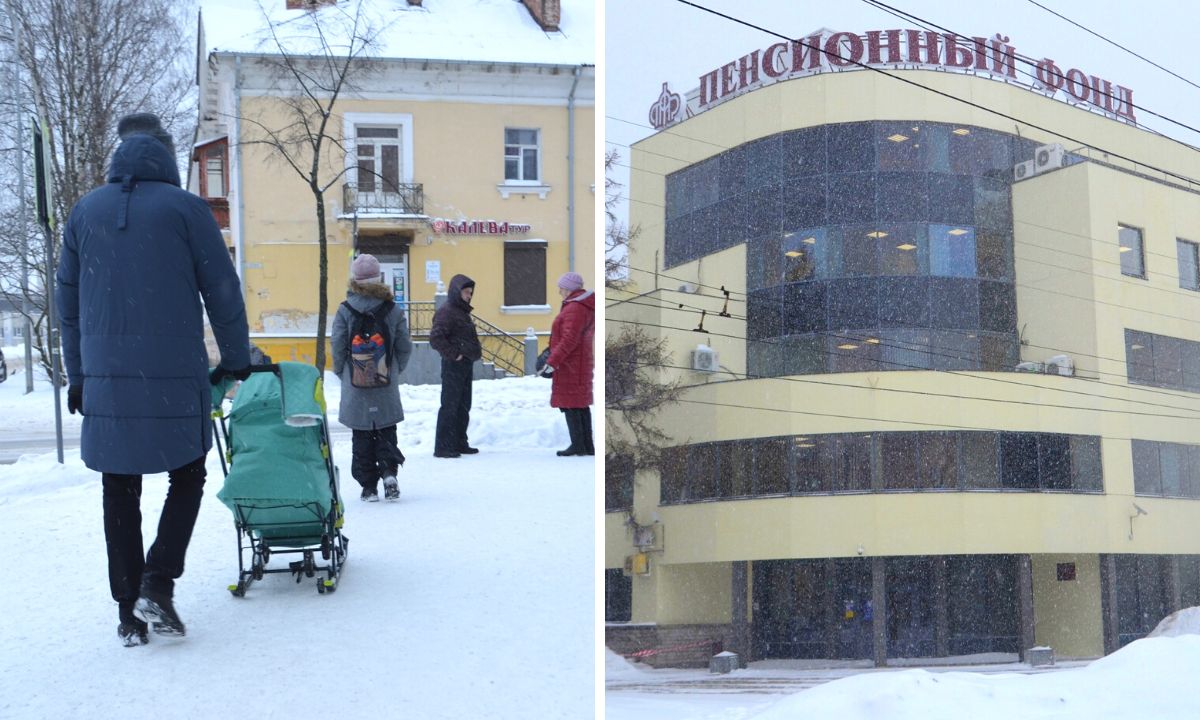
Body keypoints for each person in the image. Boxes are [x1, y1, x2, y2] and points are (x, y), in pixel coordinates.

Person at [56, 112, 250, 646]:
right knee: (187, 474)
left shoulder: (84, 212)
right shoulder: (187, 209)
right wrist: (235, 357)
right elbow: (223, 291)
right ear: (164, 154)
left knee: (119, 488)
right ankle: (157, 580)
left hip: (107, 379)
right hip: (173, 375)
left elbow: (66, 305)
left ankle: (128, 614)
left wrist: (79, 375)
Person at [331, 253, 413, 501]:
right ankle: (389, 472)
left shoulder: (345, 310)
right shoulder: (392, 309)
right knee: (386, 428)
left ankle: (368, 487)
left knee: (362, 433)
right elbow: (404, 345)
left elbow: (337, 343)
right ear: (380, 278)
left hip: (355, 381)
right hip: (384, 377)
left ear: (354, 279)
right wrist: (394, 368)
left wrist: (342, 371)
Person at [541, 272, 595, 456]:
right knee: (579, 404)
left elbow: (569, 339)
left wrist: (553, 362)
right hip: (579, 362)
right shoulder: (583, 305)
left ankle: (579, 445)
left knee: (571, 404)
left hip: (571, 364)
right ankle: (586, 445)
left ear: (569, 289)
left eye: (561, 288)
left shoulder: (575, 308)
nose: (559, 292)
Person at [429, 274, 482, 458]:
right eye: (466, 292)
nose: (469, 295)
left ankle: (459, 442)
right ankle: (443, 447)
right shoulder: (447, 311)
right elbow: (436, 338)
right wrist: (455, 354)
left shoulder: (461, 312)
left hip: (464, 364)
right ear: (456, 292)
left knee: (463, 405)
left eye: (470, 293)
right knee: (450, 406)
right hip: (453, 365)